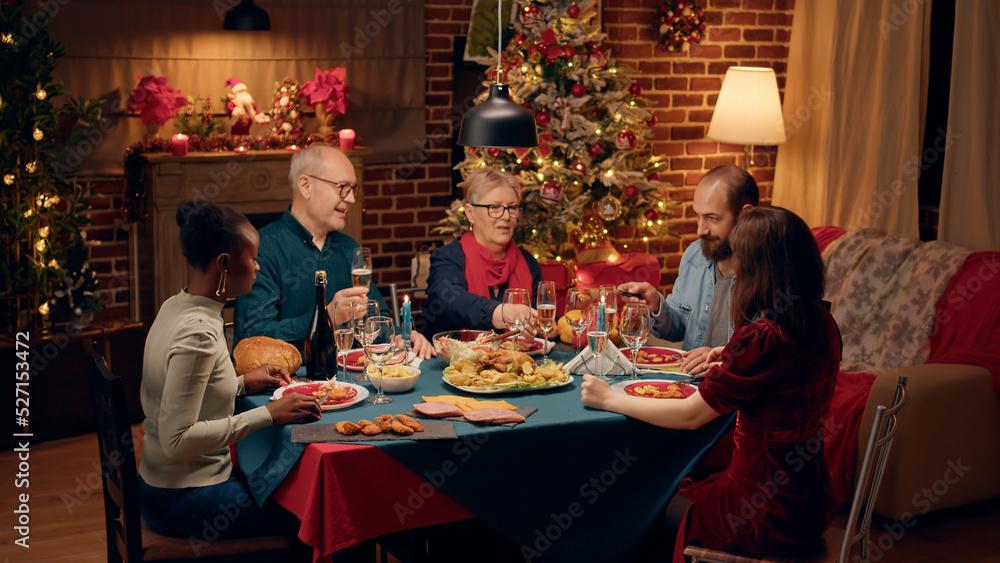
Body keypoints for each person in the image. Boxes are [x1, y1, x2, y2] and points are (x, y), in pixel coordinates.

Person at [582, 206, 842, 560]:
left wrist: (608, 399)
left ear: (758, 269)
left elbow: (690, 416)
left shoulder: (761, 340)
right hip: (809, 499)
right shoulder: (821, 323)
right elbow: (787, 370)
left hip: (760, 513)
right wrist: (729, 352)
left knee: (643, 502)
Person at [139, 201, 322, 539]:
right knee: (314, 512)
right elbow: (177, 440)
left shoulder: (177, 305)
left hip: (160, 485)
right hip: (185, 497)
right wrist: (269, 413)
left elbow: (184, 392)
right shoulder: (198, 332)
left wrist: (240, 383)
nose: (257, 267)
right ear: (224, 263)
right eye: (252, 257)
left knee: (298, 490)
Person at [235, 143, 435, 358]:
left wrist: (397, 337)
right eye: (342, 187)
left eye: (353, 189)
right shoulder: (263, 248)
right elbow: (254, 336)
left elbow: (378, 316)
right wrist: (326, 317)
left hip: (348, 380)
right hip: (283, 383)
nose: (350, 199)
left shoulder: (349, 248)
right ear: (306, 186)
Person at [617, 165, 758, 373]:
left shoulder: (770, 270)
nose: (701, 230)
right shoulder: (695, 255)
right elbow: (677, 329)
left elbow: (773, 357)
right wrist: (656, 304)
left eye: (712, 218)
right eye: (698, 216)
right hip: (687, 386)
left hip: (735, 396)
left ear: (745, 214)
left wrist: (722, 359)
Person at [424, 168, 543, 335]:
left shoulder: (527, 261)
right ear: (470, 213)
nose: (506, 216)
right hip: (452, 359)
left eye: (512, 207)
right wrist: (501, 312)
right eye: (494, 207)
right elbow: (449, 301)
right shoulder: (448, 258)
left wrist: (547, 328)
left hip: (516, 358)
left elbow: (542, 321)